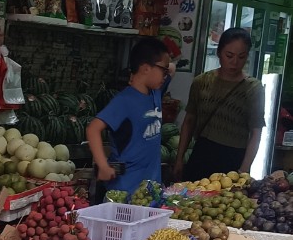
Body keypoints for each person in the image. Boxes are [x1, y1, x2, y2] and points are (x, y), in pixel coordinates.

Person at [174, 28, 264, 181]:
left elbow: (256, 132)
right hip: (201, 155)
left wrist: (244, 170)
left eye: (241, 57)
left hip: (233, 160)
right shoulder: (201, 82)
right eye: (229, 55)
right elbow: (189, 121)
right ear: (219, 53)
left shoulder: (253, 88)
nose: (235, 62)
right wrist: (179, 159)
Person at [85, 37, 171, 200]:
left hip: (152, 190)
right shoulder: (124, 101)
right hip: (125, 191)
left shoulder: (156, 93)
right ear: (146, 68)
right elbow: (93, 129)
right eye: (163, 71)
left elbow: (171, 67)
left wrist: (163, 65)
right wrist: (103, 165)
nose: (166, 75)